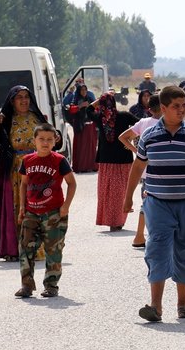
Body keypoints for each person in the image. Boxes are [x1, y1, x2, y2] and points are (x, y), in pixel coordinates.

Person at [123, 86, 185, 322]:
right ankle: (156, 306)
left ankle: (183, 302)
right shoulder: (149, 137)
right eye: (176, 106)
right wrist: (128, 196)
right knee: (157, 249)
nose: (182, 110)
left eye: (184, 105)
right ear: (163, 108)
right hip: (158, 202)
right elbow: (138, 167)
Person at [0, 86, 51, 261]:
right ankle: (15, 248)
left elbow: (52, 139)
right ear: (12, 101)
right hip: (15, 172)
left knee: (38, 208)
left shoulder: (37, 118)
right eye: (19, 97)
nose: (24, 100)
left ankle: (38, 248)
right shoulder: (5, 121)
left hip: (39, 170)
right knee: (18, 208)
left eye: (26, 96)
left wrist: (55, 136)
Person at [14, 123, 76, 298]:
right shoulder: (27, 161)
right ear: (34, 140)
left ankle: (51, 285)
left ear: (55, 141)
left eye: (49, 139)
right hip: (31, 213)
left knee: (53, 250)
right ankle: (26, 285)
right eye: (41, 139)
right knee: (26, 248)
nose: (45, 143)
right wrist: (22, 208)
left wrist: (66, 206)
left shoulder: (59, 160)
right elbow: (24, 184)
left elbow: (72, 183)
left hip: (54, 213)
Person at [89, 93, 139, 232]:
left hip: (106, 160)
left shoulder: (100, 118)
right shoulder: (124, 116)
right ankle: (118, 221)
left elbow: (87, 110)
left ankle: (112, 221)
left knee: (108, 192)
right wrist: (130, 137)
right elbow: (140, 124)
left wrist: (98, 101)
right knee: (121, 191)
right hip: (123, 158)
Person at [119, 94, 162, 248]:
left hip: (145, 171)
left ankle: (139, 236)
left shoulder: (143, 123)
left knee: (146, 203)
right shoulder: (168, 124)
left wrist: (137, 151)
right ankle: (144, 236)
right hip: (161, 171)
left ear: (149, 109)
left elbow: (123, 137)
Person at [67, 83, 99, 173]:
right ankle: (82, 167)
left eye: (85, 90)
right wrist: (81, 106)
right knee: (82, 147)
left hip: (90, 126)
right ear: (79, 91)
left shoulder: (90, 99)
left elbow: (96, 110)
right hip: (81, 127)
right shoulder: (75, 99)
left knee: (91, 146)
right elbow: (71, 109)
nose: (84, 92)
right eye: (82, 90)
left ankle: (92, 165)